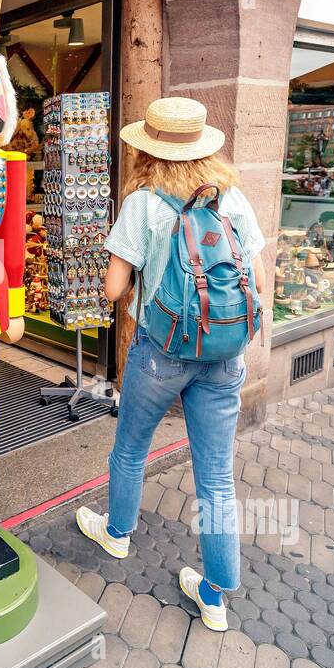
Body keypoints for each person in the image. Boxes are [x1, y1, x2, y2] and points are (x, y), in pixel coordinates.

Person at [75, 97, 266, 632]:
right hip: (225, 355)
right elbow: (257, 282)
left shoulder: (143, 204)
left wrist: (137, 273)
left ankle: (116, 533)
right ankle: (214, 595)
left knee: (132, 447)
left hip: (161, 352)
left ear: (149, 151)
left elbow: (114, 289)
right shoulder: (233, 200)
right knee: (217, 478)